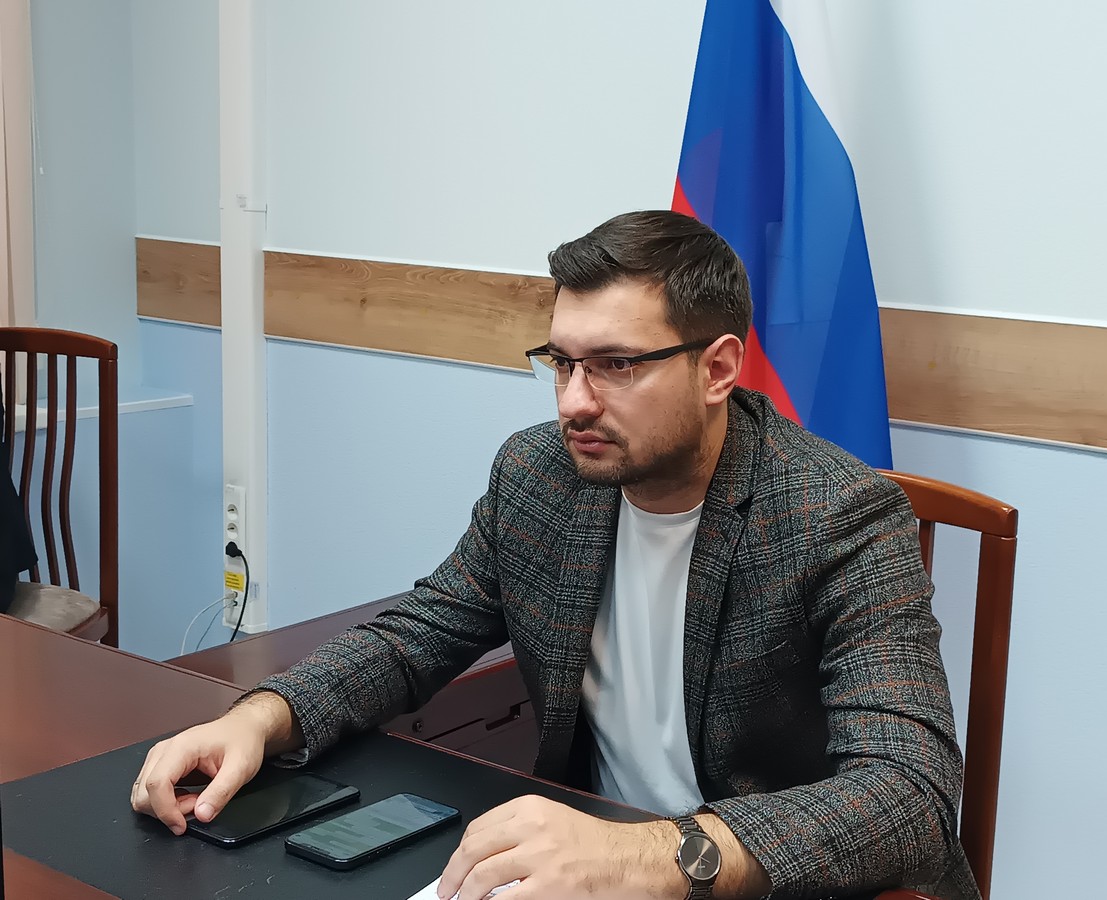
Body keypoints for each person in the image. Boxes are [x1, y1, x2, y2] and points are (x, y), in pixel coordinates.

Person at [132, 210, 979, 900]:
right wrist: (257, 718)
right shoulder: (540, 475)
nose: (574, 402)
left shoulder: (839, 516)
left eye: (616, 365)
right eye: (562, 363)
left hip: (756, 881)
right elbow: (417, 634)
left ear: (718, 369)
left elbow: (909, 791)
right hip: (588, 862)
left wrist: (647, 857)